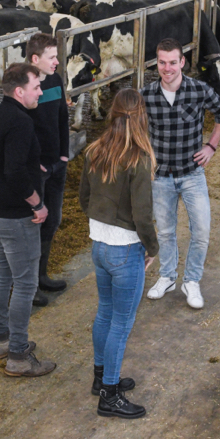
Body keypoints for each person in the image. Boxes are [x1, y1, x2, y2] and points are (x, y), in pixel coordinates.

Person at [79, 88, 158, 419]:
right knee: (121, 324)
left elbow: (84, 198)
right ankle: (109, 396)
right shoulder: (138, 159)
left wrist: (102, 226)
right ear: (141, 118)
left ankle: (101, 378)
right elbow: (142, 214)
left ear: (112, 113)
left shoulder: (95, 151)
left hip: (98, 246)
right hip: (125, 250)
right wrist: (152, 247)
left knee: (105, 313)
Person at [141, 38, 220, 310]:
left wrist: (212, 145)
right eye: (162, 62)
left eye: (172, 62)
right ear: (156, 63)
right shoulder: (145, 95)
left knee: (201, 230)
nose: (167, 68)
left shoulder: (198, 90)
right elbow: (133, 127)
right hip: (161, 177)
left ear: (182, 62)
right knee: (166, 231)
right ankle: (167, 276)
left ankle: (191, 280)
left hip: (192, 174)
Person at [0, 62, 56, 377]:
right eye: (36, 86)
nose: (41, 90)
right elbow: (13, 171)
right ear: (19, 90)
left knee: (2, 274)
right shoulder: (21, 122)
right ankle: (18, 356)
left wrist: (32, 167)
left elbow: (3, 162)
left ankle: (0, 340)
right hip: (15, 216)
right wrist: (37, 203)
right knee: (25, 284)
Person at [25, 33, 70, 307]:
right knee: (33, 224)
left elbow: (62, 119)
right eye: (52, 57)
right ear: (35, 59)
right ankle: (27, 286)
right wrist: (34, 163)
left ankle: (41, 276)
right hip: (37, 168)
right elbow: (21, 130)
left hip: (57, 163)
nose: (57, 62)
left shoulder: (55, 81)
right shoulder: (24, 87)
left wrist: (64, 155)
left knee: (52, 220)